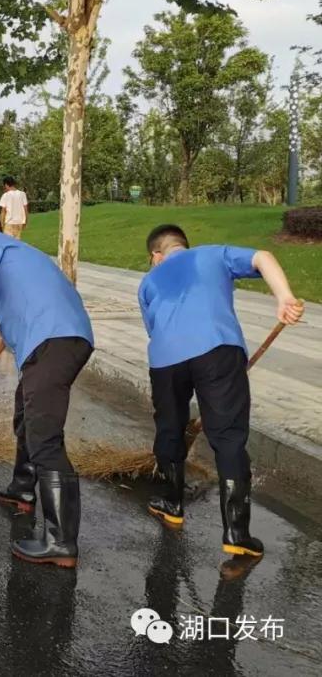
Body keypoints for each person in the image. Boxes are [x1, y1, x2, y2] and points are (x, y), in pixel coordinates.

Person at [139, 225, 304, 558]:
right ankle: (237, 534)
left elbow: (154, 330)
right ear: (184, 246)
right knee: (228, 437)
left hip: (166, 359)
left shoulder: (148, 282)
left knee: (169, 428)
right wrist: (284, 297)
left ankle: (172, 504)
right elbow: (263, 257)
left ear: (156, 255)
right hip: (218, 348)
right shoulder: (212, 254)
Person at [0, 206, 94, 568]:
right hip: (68, 339)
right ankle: (22, 488)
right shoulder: (21, 255)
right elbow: (4, 332)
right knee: (26, 413)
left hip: (51, 341)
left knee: (44, 438)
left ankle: (61, 542)